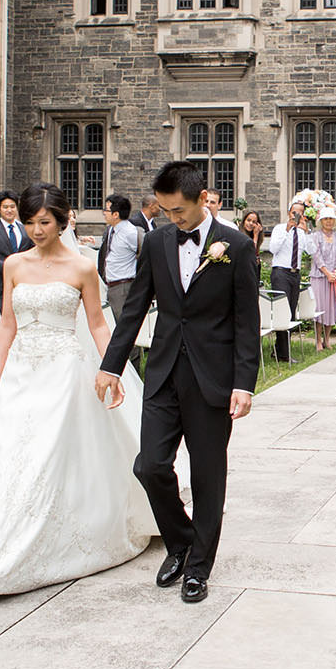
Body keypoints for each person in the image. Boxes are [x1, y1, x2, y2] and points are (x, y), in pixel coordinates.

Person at [0, 184, 156, 595]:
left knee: (51, 455)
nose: (36, 230)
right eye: (30, 222)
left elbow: (98, 324)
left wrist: (113, 369)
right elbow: (7, 325)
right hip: (20, 373)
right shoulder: (14, 264)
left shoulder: (83, 267)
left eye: (44, 222)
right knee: (13, 455)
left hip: (65, 371)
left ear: (64, 220)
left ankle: (54, 541)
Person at [97, 161, 260, 606]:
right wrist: (111, 365)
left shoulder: (238, 247)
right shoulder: (155, 241)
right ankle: (181, 541)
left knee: (208, 477)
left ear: (203, 198)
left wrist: (244, 383)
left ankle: (199, 567)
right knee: (149, 465)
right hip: (163, 372)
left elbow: (248, 323)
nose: (174, 219)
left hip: (214, 379)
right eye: (166, 211)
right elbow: (134, 310)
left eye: (180, 212)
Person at [265, 202, 308, 361]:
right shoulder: (279, 228)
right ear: (289, 212)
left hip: (294, 274)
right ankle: (283, 353)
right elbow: (273, 249)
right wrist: (287, 229)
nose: (296, 215)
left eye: (300, 213)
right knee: (282, 311)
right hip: (281, 273)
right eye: (294, 212)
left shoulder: (302, 233)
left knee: (290, 313)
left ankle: (279, 350)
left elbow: (311, 251)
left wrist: (307, 231)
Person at [303, 210, 336, 351]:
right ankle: (318, 341)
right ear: (321, 221)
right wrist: (327, 273)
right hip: (319, 277)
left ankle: (327, 339)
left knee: (330, 309)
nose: (328, 221)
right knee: (319, 309)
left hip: (333, 278)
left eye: (331, 219)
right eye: (326, 219)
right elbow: (316, 256)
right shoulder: (316, 236)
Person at [96, 193, 143, 321]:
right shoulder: (112, 229)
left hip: (123, 287)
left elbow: (142, 255)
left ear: (115, 214)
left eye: (106, 210)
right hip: (110, 285)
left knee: (123, 326)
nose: (104, 213)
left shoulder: (130, 232)